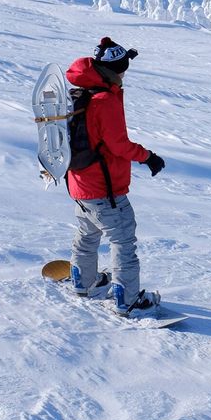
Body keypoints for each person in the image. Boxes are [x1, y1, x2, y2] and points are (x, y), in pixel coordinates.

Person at [65, 37, 166, 315]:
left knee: (87, 235)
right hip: (104, 188)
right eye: (123, 68)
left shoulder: (82, 94)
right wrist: (148, 157)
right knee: (122, 241)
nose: (124, 73)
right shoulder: (105, 100)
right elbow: (118, 144)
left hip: (80, 184)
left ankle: (83, 283)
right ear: (115, 70)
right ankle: (127, 300)